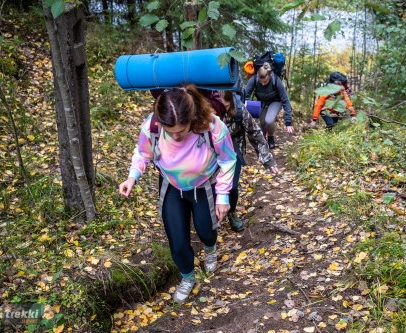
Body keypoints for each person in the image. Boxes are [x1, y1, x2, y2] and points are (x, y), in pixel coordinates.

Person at [118, 84, 236, 304]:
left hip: (204, 185)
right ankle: (187, 277)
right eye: (169, 131)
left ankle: (210, 249)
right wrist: (132, 177)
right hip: (172, 186)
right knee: (177, 241)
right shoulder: (151, 126)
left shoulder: (212, 126)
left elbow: (228, 159)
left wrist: (222, 196)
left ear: (192, 118)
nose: (176, 136)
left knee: (206, 230)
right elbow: (143, 154)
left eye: (181, 131)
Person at [220, 90, 279, 232]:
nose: (222, 111)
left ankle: (232, 212)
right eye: (219, 107)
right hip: (210, 152)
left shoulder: (240, 110)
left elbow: (255, 133)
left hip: (234, 150)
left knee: (232, 186)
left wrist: (268, 161)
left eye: (226, 107)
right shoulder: (206, 109)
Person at [244, 62, 294, 149]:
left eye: (265, 81)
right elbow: (245, 94)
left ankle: (270, 138)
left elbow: (285, 100)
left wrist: (288, 122)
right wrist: (244, 108)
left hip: (275, 101)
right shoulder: (254, 79)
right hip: (262, 101)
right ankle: (262, 140)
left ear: (270, 75)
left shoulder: (276, 80)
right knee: (262, 123)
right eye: (261, 81)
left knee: (269, 121)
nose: (263, 83)